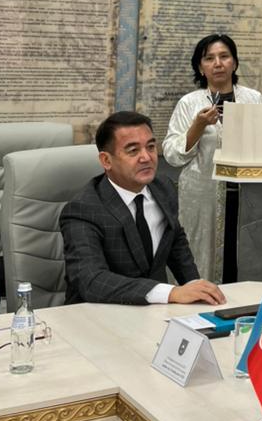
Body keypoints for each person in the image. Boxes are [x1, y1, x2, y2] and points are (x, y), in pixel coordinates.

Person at [60, 111, 225, 307]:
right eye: (133, 151)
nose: (146, 157)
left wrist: (195, 288)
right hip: (99, 312)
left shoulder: (163, 188)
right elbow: (91, 280)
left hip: (156, 310)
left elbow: (175, 242)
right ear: (106, 161)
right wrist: (171, 292)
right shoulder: (83, 210)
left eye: (151, 147)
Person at [162, 34, 262, 282]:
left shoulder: (253, 99)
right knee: (200, 262)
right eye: (209, 58)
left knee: (242, 263)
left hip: (247, 197)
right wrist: (198, 126)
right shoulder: (189, 103)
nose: (218, 63)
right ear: (201, 67)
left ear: (234, 63)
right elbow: (172, 154)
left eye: (224, 56)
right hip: (203, 198)